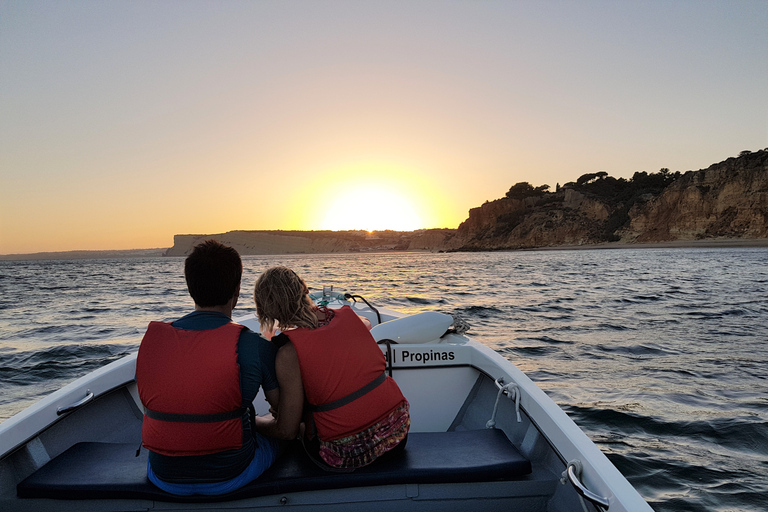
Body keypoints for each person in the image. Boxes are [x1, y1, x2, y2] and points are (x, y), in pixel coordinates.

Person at [135, 240, 280, 495]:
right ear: (236, 292)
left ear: (191, 288)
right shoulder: (254, 346)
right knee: (284, 438)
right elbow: (285, 421)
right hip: (231, 474)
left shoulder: (153, 342)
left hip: (163, 476)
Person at [252, 266, 410, 470]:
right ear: (304, 288)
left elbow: (286, 431)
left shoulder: (289, 353)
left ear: (266, 308)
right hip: (397, 433)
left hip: (345, 454)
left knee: (284, 426)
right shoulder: (351, 317)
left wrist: (251, 422)